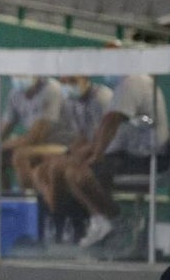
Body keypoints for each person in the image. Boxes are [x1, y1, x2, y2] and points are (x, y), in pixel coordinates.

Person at [62, 72, 170, 248]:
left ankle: (115, 220)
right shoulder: (125, 85)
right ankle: (102, 219)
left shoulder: (132, 83)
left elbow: (111, 121)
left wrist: (96, 156)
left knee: (81, 174)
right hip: (133, 153)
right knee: (73, 171)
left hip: (149, 157)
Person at [25, 75, 113, 238]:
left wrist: (79, 154)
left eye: (72, 82)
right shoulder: (72, 102)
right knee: (39, 171)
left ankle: (81, 218)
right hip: (84, 150)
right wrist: (68, 153)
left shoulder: (103, 98)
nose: (67, 86)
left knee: (57, 169)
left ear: (85, 78)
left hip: (108, 153)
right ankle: (57, 219)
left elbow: (107, 136)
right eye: (64, 82)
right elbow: (80, 137)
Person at [0, 75, 68, 190]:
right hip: (34, 146)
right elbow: (4, 128)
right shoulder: (15, 94)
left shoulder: (51, 90)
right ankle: (4, 201)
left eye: (23, 74)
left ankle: (28, 201)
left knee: (21, 156)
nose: (19, 77)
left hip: (60, 145)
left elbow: (36, 137)